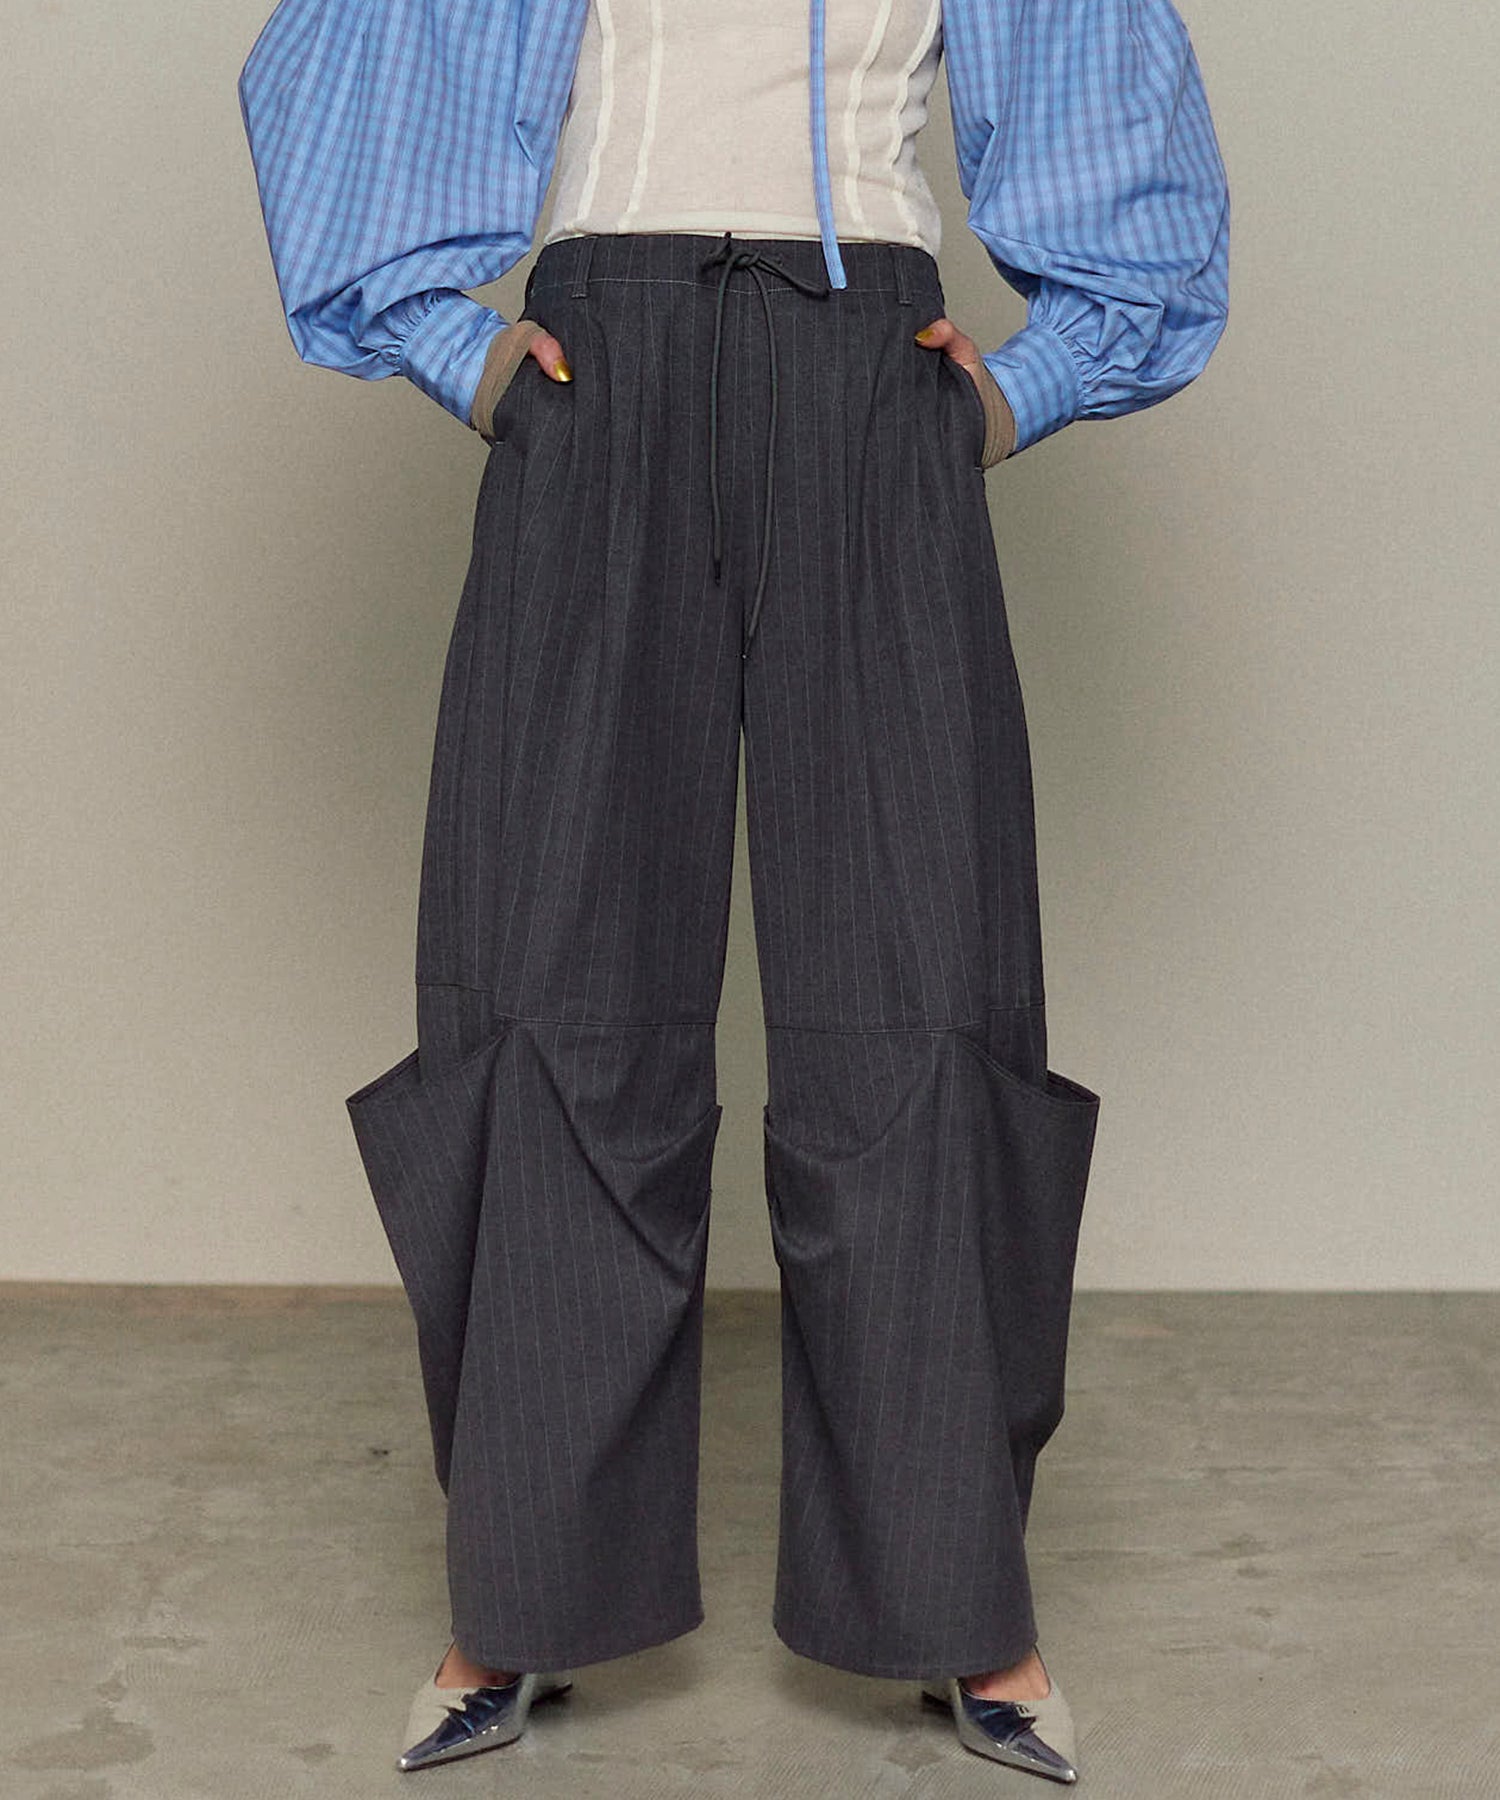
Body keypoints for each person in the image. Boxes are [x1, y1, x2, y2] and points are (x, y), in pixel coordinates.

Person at [238, 0, 1229, 1783]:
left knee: (924, 984)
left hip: (870, 373)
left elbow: (1110, 103)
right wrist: (459, 353)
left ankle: (963, 1610)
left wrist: (1015, 387)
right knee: (552, 984)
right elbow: (338, 63)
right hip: (596, 371)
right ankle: (517, 1600)